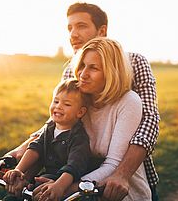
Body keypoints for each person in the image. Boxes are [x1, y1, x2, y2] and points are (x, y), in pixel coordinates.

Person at [7, 2, 160, 200]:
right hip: (79, 169)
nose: (73, 34)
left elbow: (148, 120)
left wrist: (122, 173)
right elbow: (58, 121)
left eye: (81, 26)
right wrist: (26, 149)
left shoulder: (134, 65)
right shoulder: (74, 72)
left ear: (102, 30)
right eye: (70, 28)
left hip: (122, 175)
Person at [36, 38, 151, 200]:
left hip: (117, 191)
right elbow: (51, 134)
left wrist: (66, 188)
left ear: (111, 72)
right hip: (79, 184)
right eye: (81, 65)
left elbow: (113, 164)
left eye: (93, 68)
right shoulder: (79, 99)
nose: (83, 74)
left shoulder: (128, 101)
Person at [3, 79, 91, 201]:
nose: (58, 106)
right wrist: (18, 169)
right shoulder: (49, 129)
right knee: (11, 198)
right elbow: (34, 149)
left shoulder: (78, 137)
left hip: (62, 185)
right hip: (42, 179)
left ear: (80, 112)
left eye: (67, 104)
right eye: (56, 101)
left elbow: (73, 166)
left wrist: (59, 186)